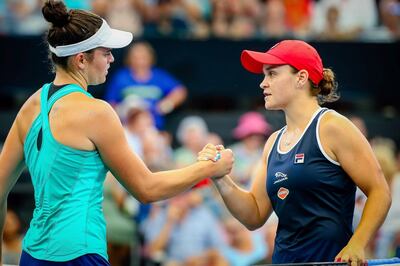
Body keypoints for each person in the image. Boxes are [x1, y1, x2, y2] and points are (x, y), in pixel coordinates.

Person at [0, 1, 233, 265]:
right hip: (80, 253)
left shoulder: (30, 106)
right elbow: (147, 189)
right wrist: (209, 168)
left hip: (31, 255)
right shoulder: (98, 112)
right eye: (107, 52)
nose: (112, 59)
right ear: (80, 60)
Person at [198, 40, 391, 265]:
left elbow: (380, 192)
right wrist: (220, 177)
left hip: (330, 262)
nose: (262, 84)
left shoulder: (333, 127)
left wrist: (357, 244)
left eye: (272, 74)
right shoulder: (273, 142)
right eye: (264, 76)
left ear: (301, 78)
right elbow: (254, 215)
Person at [104, 41, 188, 129]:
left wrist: (166, 105)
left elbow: (180, 91)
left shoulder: (159, 76)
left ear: (151, 58)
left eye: (143, 57)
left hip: (154, 127)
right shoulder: (121, 77)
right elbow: (111, 103)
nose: (140, 61)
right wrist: (122, 110)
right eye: (135, 58)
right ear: (129, 59)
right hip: (127, 127)